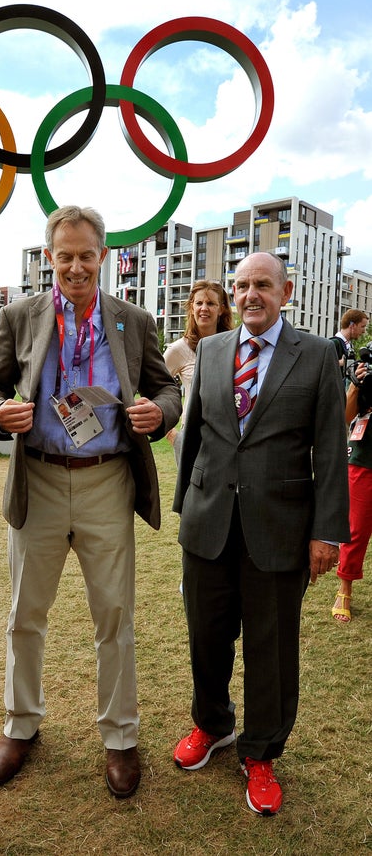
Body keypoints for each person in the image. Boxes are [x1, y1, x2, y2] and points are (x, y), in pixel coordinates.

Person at [0, 205, 181, 799]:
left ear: (103, 257)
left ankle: (120, 736)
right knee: (24, 614)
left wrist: (158, 412)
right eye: (63, 255)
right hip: (37, 479)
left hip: (107, 480)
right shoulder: (20, 316)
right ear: (49, 258)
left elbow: (165, 386)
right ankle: (21, 724)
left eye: (86, 254)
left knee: (114, 617)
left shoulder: (133, 320)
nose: (75, 266)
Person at [172, 251, 349, 816]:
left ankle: (262, 752)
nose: (251, 295)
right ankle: (212, 725)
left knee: (271, 649)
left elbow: (330, 449)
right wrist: (184, 506)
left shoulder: (318, 356)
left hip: (281, 530)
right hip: (209, 525)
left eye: (263, 286)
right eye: (242, 285)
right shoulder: (214, 349)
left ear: (286, 291)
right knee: (207, 635)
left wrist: (326, 533)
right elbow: (196, 432)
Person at [164, 280, 234, 461]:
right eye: (199, 303)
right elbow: (155, 386)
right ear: (191, 308)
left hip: (229, 437)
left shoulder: (235, 346)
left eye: (211, 303)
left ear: (222, 309)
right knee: (191, 490)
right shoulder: (178, 349)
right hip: (192, 437)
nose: (204, 308)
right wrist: (172, 435)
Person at [332, 359, 372, 623]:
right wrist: (356, 385)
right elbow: (345, 417)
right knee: (356, 530)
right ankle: (344, 589)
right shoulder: (368, 372)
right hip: (365, 461)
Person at [330, 309, 368, 382]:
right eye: (362, 326)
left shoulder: (349, 345)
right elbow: (320, 366)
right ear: (352, 325)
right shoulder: (333, 343)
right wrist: (340, 363)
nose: (364, 331)